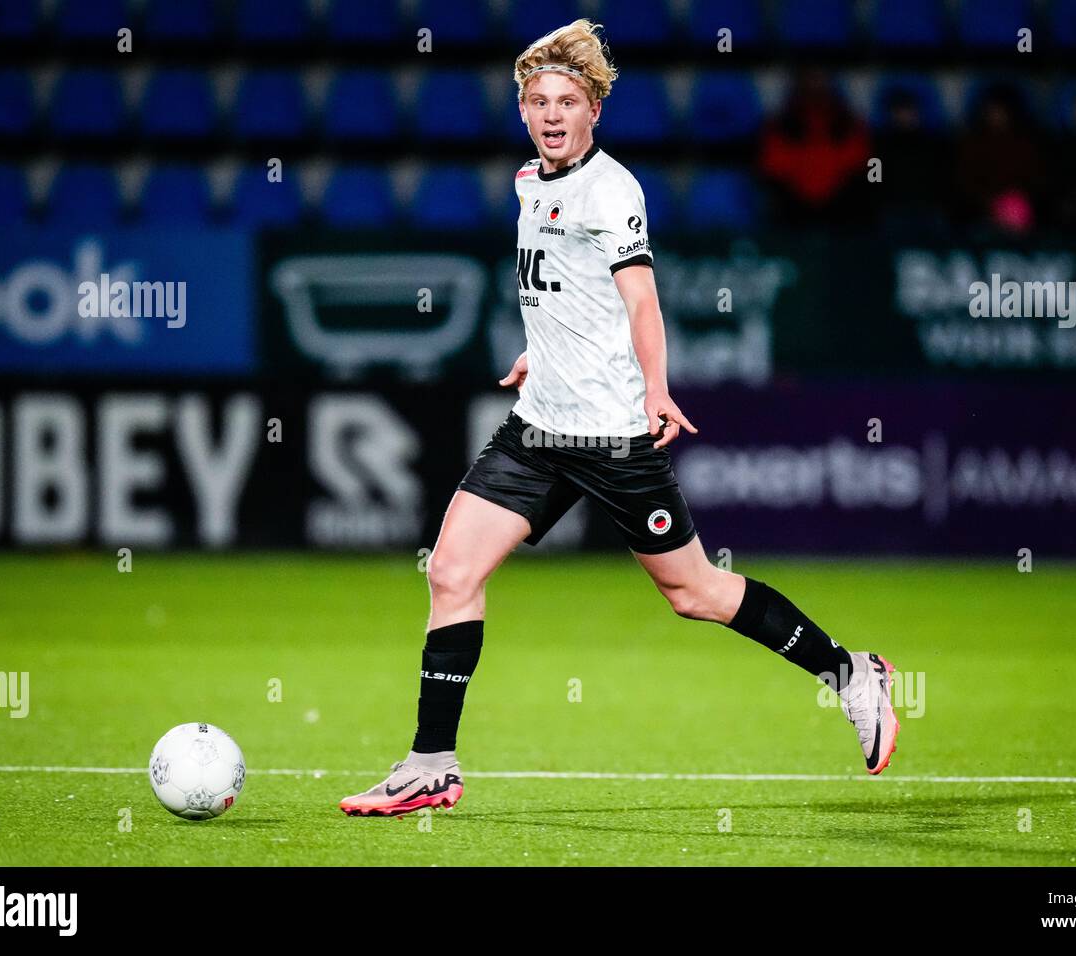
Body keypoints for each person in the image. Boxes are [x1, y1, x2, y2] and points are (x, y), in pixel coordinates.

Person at [340, 20, 898, 818]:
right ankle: (432, 763)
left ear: (594, 109)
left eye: (568, 100)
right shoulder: (529, 181)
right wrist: (546, 353)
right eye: (538, 101)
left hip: (610, 438)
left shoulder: (612, 189)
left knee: (696, 592)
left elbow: (640, 298)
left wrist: (656, 388)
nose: (552, 113)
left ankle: (850, 674)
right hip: (537, 429)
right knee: (450, 572)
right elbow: (564, 288)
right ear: (524, 113)